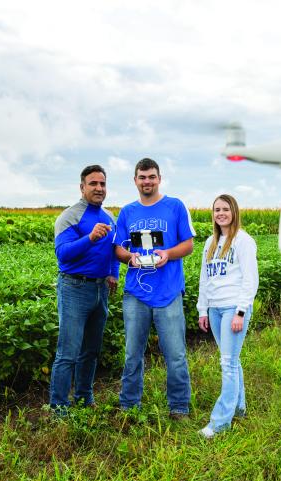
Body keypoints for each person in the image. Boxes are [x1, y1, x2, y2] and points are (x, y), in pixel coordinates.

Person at [115, 158, 195, 419]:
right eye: (142, 177)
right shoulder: (127, 212)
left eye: (151, 177)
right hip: (136, 293)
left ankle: (179, 407)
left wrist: (167, 254)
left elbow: (188, 245)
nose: (146, 181)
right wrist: (130, 257)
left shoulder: (175, 207)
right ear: (135, 180)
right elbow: (118, 248)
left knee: (175, 354)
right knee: (132, 354)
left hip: (168, 291)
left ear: (159, 178)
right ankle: (128, 405)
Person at [49, 164, 119, 414]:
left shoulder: (110, 217)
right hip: (74, 288)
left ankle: (84, 397)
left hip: (100, 290)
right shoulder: (69, 217)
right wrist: (89, 238)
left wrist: (113, 274)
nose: (99, 188)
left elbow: (113, 250)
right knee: (68, 352)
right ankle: (58, 406)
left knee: (91, 350)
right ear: (82, 187)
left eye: (102, 184)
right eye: (93, 184)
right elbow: (63, 254)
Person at [196, 194, 259, 437]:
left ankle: (220, 422)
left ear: (234, 212)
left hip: (234, 307)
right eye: (216, 210)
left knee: (228, 364)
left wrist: (241, 312)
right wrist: (203, 309)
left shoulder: (243, 241)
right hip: (215, 308)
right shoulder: (211, 243)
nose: (220, 213)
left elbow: (250, 279)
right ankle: (239, 408)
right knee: (232, 360)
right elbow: (205, 278)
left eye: (225, 209)